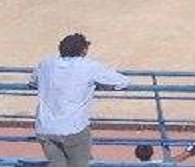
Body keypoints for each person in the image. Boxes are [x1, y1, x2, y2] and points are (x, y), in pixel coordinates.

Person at [30, 33, 129, 167]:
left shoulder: (45, 64)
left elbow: (33, 82)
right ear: (83, 50)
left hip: (45, 127)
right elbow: (122, 81)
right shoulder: (89, 66)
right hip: (74, 128)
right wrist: (98, 85)